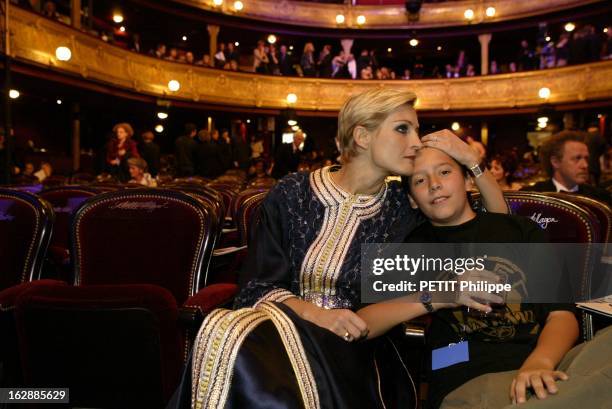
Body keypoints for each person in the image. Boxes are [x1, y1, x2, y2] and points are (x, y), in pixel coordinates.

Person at [169, 88, 508, 409]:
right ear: (362, 137)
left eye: (416, 131)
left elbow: (497, 230)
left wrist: (470, 159)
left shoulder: (404, 206)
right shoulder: (293, 193)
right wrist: (317, 315)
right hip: (278, 324)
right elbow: (256, 286)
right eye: (403, 130)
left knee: (235, 337)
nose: (416, 143)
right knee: (224, 329)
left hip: (358, 346)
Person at [360, 146, 609, 409]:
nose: (434, 185)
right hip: (467, 371)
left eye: (445, 172)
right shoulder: (413, 246)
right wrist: (440, 295)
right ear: (412, 198)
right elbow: (363, 324)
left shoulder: (520, 231)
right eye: (420, 180)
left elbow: (562, 314)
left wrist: (540, 363)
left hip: (549, 364)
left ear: (468, 180)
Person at [520, 131, 611, 205]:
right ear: (555, 162)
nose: (585, 165)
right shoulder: (531, 197)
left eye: (586, 158)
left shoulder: (600, 198)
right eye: (577, 158)